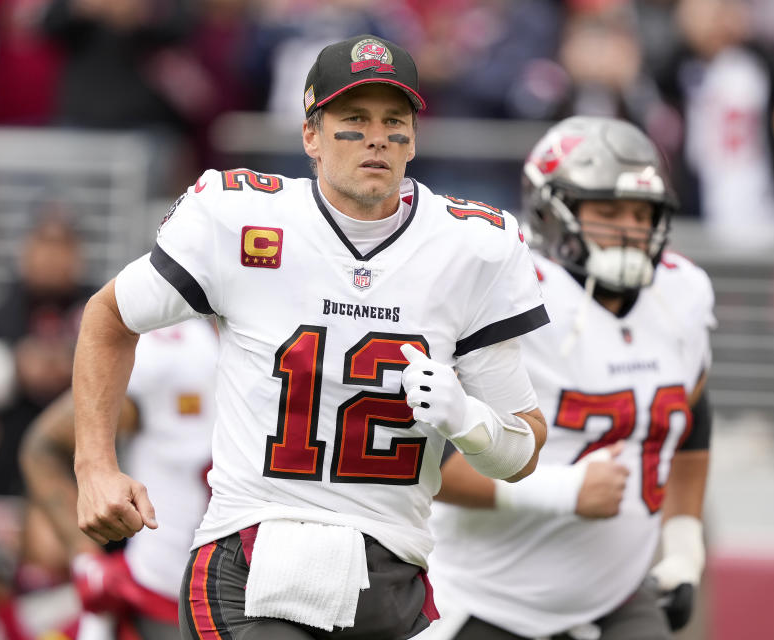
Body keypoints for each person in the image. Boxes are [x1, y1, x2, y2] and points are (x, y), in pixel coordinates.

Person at [72, 34, 550, 640]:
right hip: (252, 556)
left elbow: (523, 453)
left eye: (393, 121)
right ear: (311, 135)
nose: (376, 137)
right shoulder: (241, 218)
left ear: (412, 139)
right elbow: (109, 316)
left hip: (391, 573)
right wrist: (95, 467)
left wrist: (465, 418)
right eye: (353, 119)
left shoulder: (471, 249)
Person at [423, 116, 715, 640]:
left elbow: (690, 422)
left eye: (642, 212)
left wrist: (685, 547)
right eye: (607, 211)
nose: (630, 228)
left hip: (616, 597)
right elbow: (427, 464)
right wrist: (562, 490)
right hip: (488, 601)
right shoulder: (508, 292)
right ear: (550, 212)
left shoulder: (683, 293)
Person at [21, 318, 218, 640]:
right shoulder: (173, 353)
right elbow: (44, 447)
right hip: (163, 604)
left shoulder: (314, 336)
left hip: (277, 603)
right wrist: (86, 560)